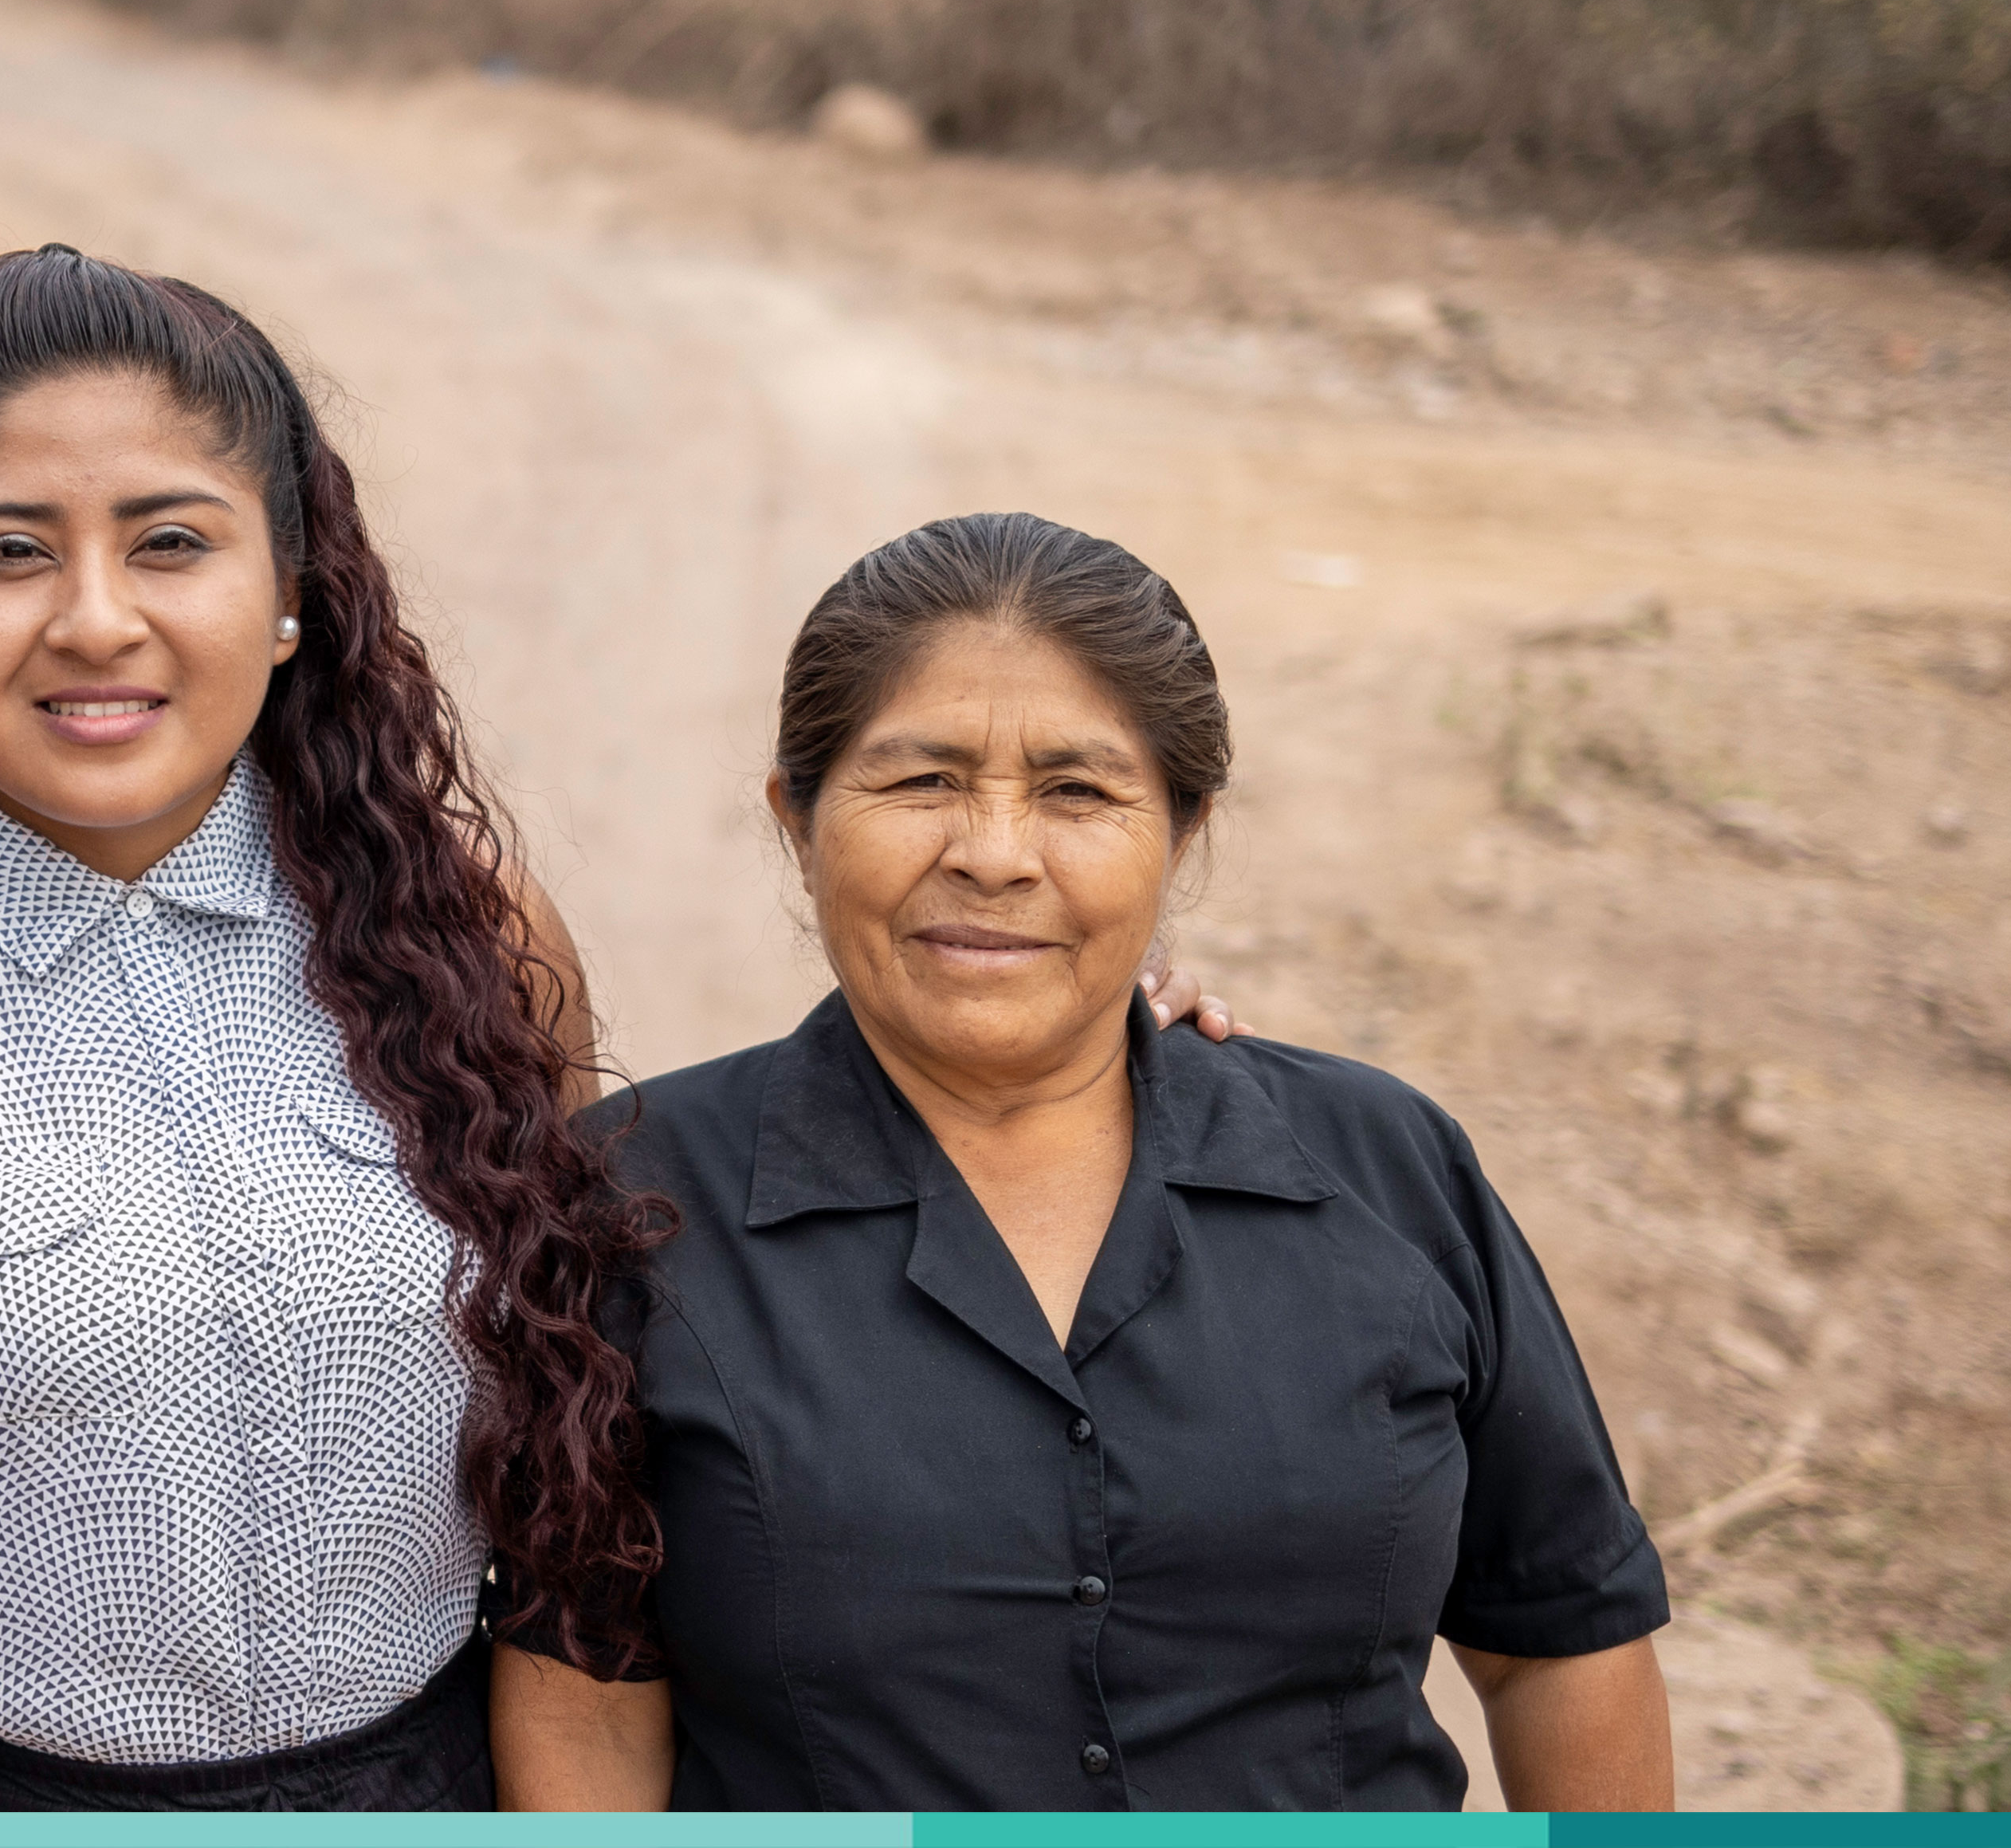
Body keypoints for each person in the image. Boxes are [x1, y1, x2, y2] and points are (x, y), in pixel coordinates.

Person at [0, 254, 1246, 1811]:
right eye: (9, 552)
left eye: (172, 543)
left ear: (288, 594)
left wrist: (1082, 1035)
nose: (96, 618)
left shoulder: (458, 931)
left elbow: (654, 1308)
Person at [497, 512, 1677, 1813]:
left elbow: (1559, 1642)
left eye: (1078, 790)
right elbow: (588, 1707)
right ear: (798, 816)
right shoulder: (633, 1204)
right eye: (921, 781)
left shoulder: (1384, 1167)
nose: (995, 853)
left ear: (1183, 828)